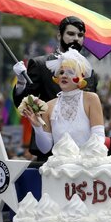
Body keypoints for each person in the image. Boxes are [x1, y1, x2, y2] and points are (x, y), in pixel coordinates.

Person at [13, 16, 98, 159]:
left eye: (80, 35)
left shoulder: (89, 72)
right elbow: (24, 104)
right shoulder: (40, 64)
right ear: (60, 35)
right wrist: (21, 82)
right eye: (71, 34)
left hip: (82, 152)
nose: (76, 38)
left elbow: (93, 114)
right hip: (49, 148)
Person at [20, 49, 105, 154]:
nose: (64, 75)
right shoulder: (48, 106)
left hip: (86, 165)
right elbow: (45, 148)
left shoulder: (91, 99)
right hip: (60, 166)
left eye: (70, 72)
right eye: (61, 72)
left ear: (80, 78)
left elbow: (99, 137)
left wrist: (86, 160)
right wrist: (37, 127)